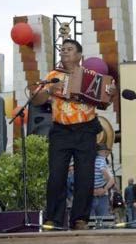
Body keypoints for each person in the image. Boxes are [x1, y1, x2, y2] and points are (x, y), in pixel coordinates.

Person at [32, 39, 115, 230]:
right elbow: (36, 100)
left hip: (86, 130)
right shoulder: (53, 75)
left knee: (84, 177)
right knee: (56, 176)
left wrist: (112, 91)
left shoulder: (93, 76)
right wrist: (49, 90)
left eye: (69, 49)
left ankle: (80, 219)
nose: (64, 52)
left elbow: (105, 101)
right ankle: (53, 219)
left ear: (79, 55)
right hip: (61, 131)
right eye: (62, 49)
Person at [90, 143, 115, 218]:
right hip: (102, 194)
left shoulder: (90, 161)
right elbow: (110, 179)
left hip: (92, 193)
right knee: (103, 220)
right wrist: (105, 189)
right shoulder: (102, 160)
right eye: (105, 152)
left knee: (91, 221)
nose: (106, 154)